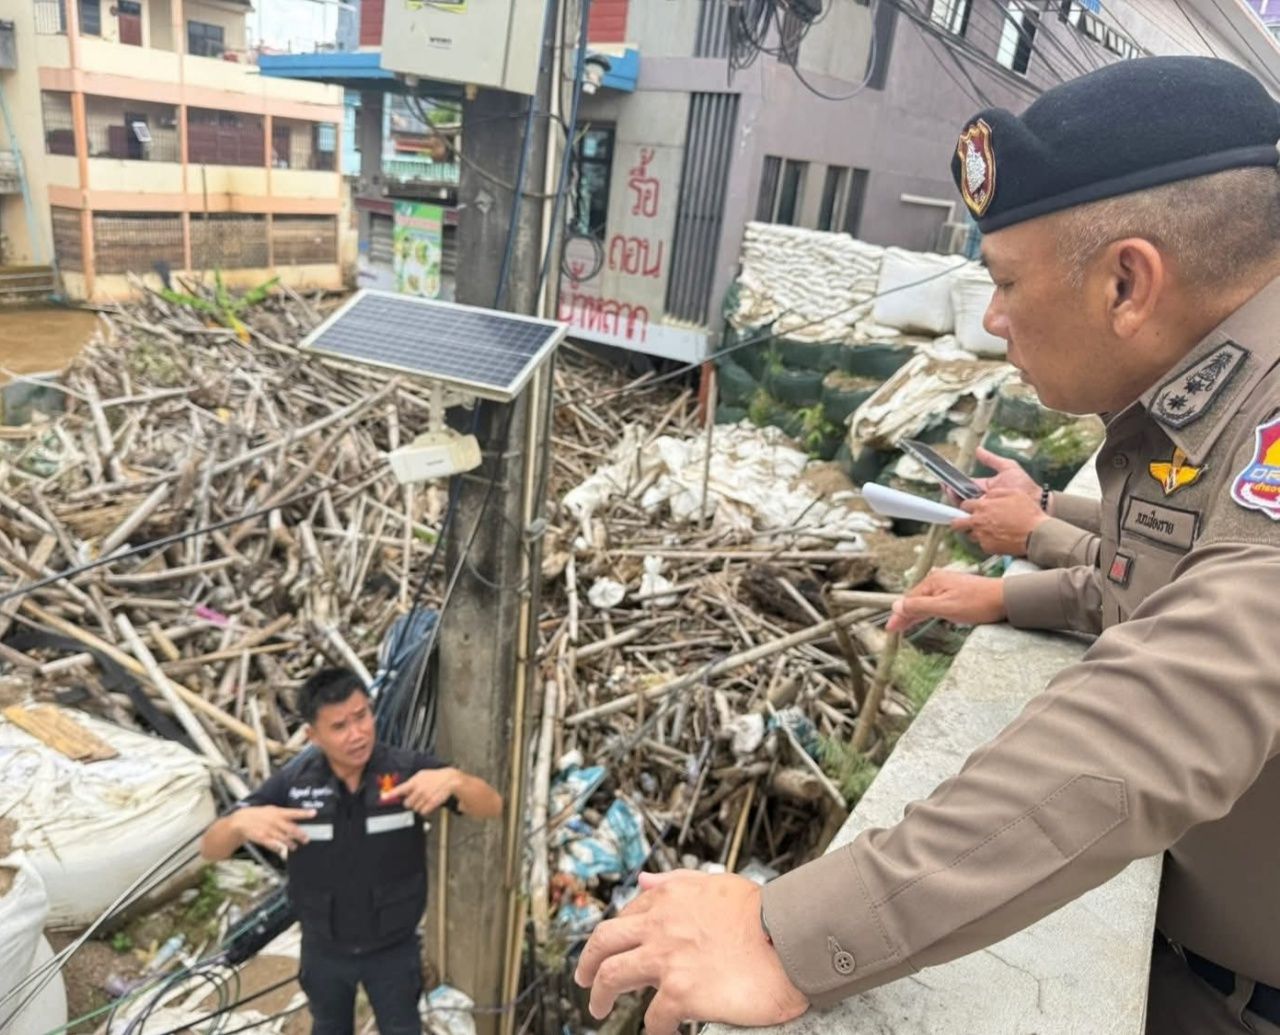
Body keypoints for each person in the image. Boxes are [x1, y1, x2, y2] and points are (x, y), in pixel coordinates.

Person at [574, 55, 1280, 1035]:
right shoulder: (1205, 401)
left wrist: (790, 932)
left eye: (1003, 284)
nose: (990, 320)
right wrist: (1013, 590)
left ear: (1127, 281)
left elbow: (1177, 701)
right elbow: (1161, 581)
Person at [200, 667, 503, 1035]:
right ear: (313, 735)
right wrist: (236, 824)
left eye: (362, 716)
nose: (357, 734)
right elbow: (211, 849)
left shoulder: (406, 771)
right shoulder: (294, 785)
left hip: (393, 950)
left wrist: (455, 778)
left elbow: (492, 807)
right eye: (339, 726)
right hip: (323, 950)